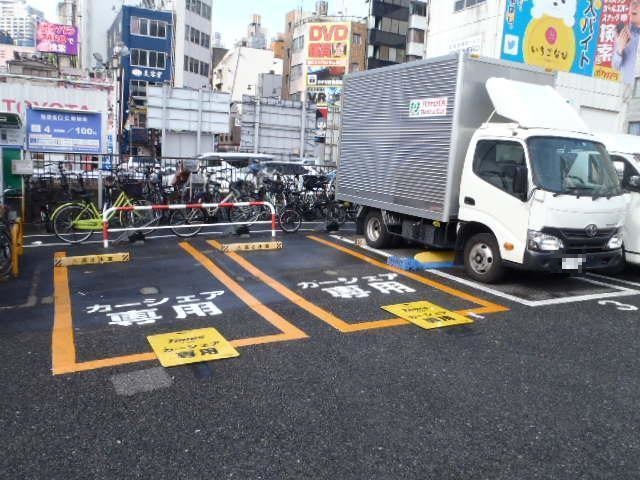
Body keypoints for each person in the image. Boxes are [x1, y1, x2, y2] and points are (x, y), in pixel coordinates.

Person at [613, 0, 640, 85]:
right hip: (627, 85)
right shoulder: (623, 32)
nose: (634, 6)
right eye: (633, 3)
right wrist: (619, 50)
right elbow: (615, 66)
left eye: (638, 3)